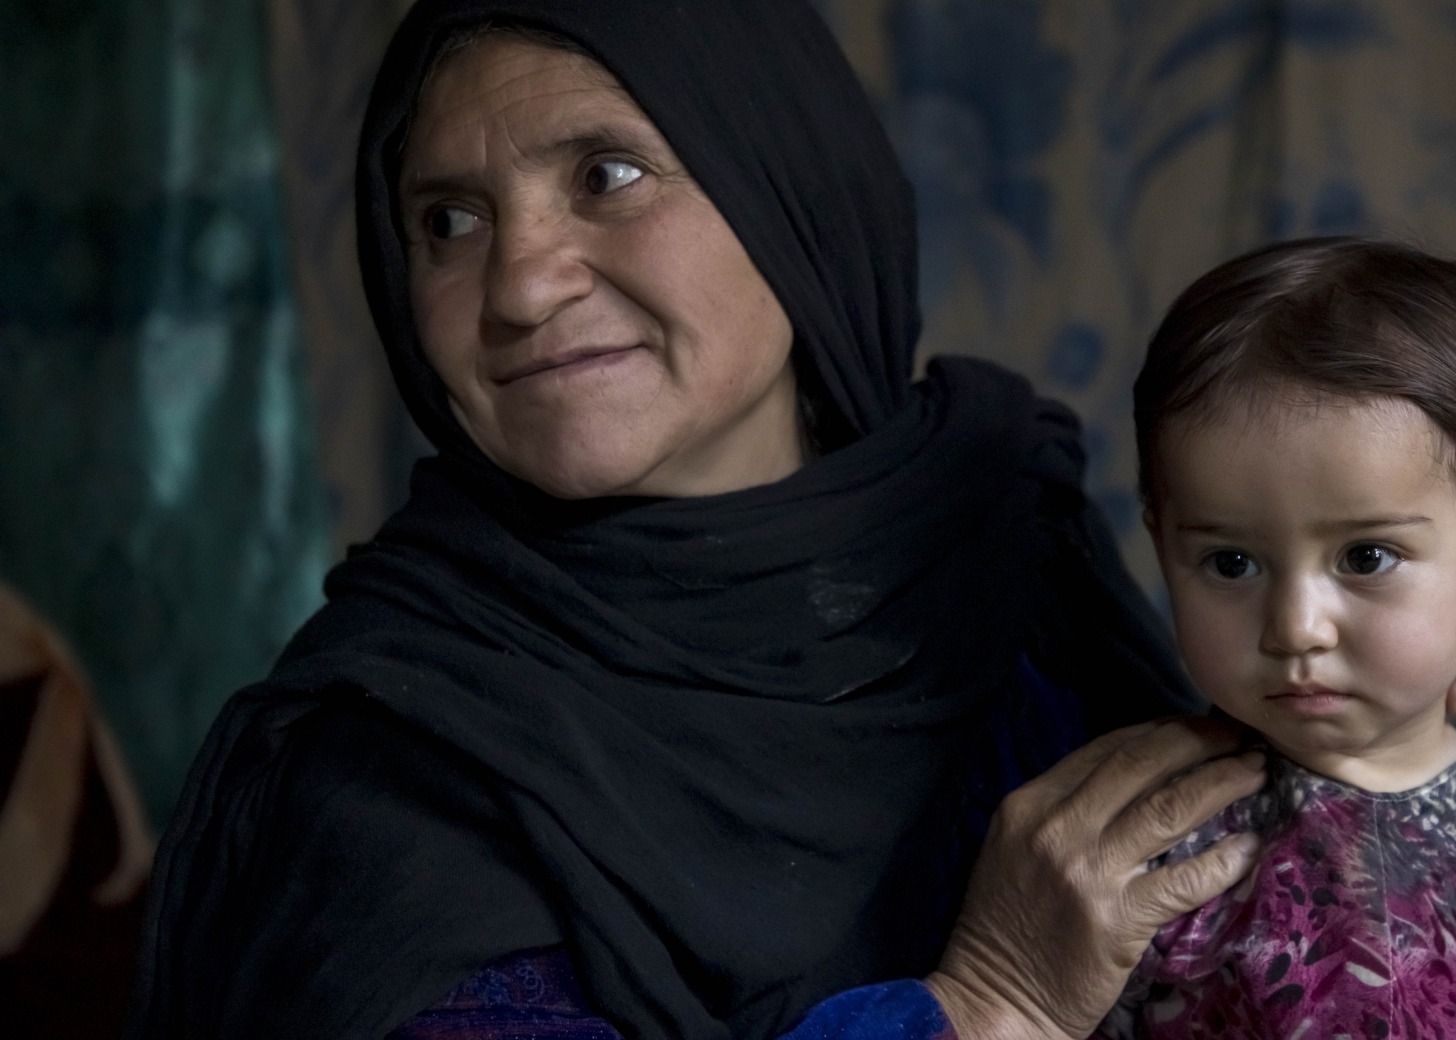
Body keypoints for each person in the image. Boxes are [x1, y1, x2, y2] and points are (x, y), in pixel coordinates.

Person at [122, 2, 1358, 1038]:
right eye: (448, 219)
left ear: (791, 194)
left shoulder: (998, 536)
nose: (517, 282)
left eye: (605, 175)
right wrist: (989, 1003)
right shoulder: (394, 756)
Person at [1101, 238, 1456, 1039]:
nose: (1295, 627)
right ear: (1166, 550)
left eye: (1365, 557)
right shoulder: (1146, 858)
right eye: (1231, 562)